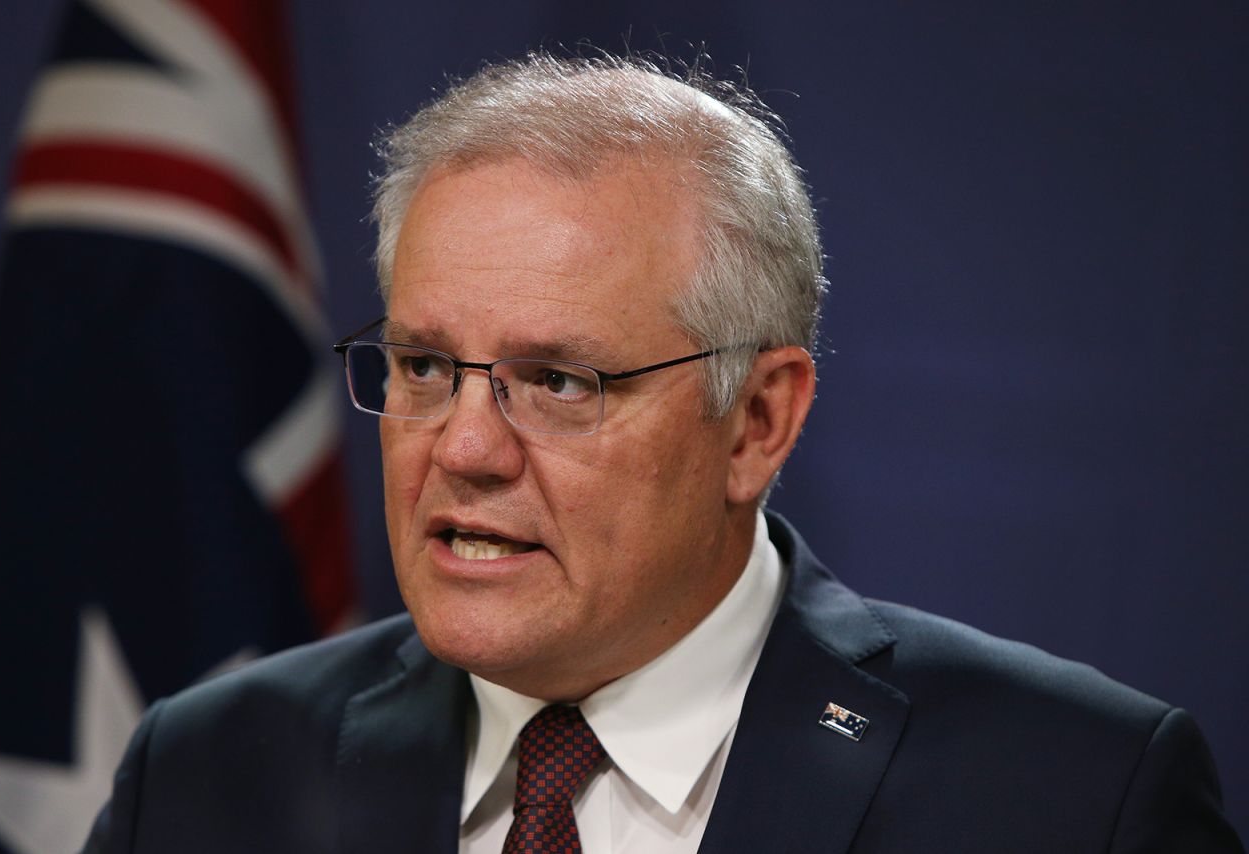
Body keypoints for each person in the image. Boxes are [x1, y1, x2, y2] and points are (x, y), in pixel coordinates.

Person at [83, 53, 1243, 853]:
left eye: (558, 381)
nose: (465, 447)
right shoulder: (203, 776)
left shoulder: (1073, 799)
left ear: (756, 422)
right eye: (425, 365)